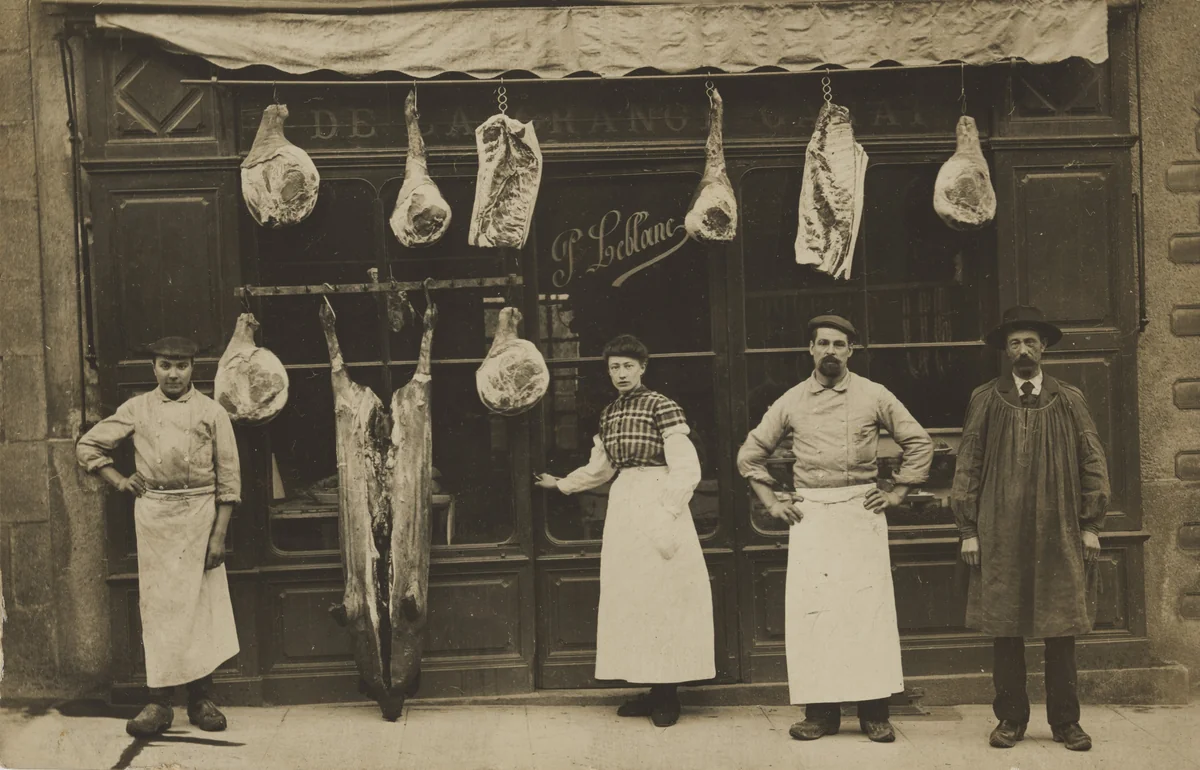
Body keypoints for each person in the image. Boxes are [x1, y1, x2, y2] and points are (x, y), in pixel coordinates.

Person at [737, 315, 933, 743]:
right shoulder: (790, 401)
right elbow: (749, 455)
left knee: (868, 613)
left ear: (850, 351)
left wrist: (897, 492)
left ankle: (875, 712)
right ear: (810, 349)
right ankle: (819, 714)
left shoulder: (874, 395)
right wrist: (772, 501)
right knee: (816, 616)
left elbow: (919, 442)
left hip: (860, 510)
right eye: (822, 343)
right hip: (813, 515)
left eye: (838, 344)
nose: (830, 351)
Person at [951, 306, 1109, 752]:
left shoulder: (1070, 399)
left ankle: (1065, 722)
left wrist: (1090, 525)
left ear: (1044, 349)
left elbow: (1092, 461)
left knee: (1060, 629)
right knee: (1006, 628)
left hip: (1057, 528)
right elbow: (969, 463)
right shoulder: (985, 399)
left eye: (1031, 342)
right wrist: (968, 529)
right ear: (1006, 350)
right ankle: (1011, 720)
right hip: (999, 530)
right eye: (1016, 343)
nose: (1024, 350)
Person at [535, 334, 714, 727]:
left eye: (628, 366)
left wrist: (666, 513)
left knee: (663, 597)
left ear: (642, 368)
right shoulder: (610, 412)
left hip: (661, 500)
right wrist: (562, 483)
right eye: (614, 367)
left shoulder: (661, 406)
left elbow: (687, 467)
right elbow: (601, 468)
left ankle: (669, 695)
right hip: (625, 505)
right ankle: (650, 689)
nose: (620, 373)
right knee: (632, 598)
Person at [76, 336, 241, 737]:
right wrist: (117, 480)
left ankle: (201, 701)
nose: (173, 373)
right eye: (165, 365)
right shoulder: (138, 408)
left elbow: (229, 480)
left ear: (193, 368)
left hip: (201, 515)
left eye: (181, 365)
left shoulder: (211, 412)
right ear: (153, 368)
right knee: (161, 607)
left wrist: (218, 535)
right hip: (155, 517)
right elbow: (88, 445)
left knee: (202, 607)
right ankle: (160, 702)